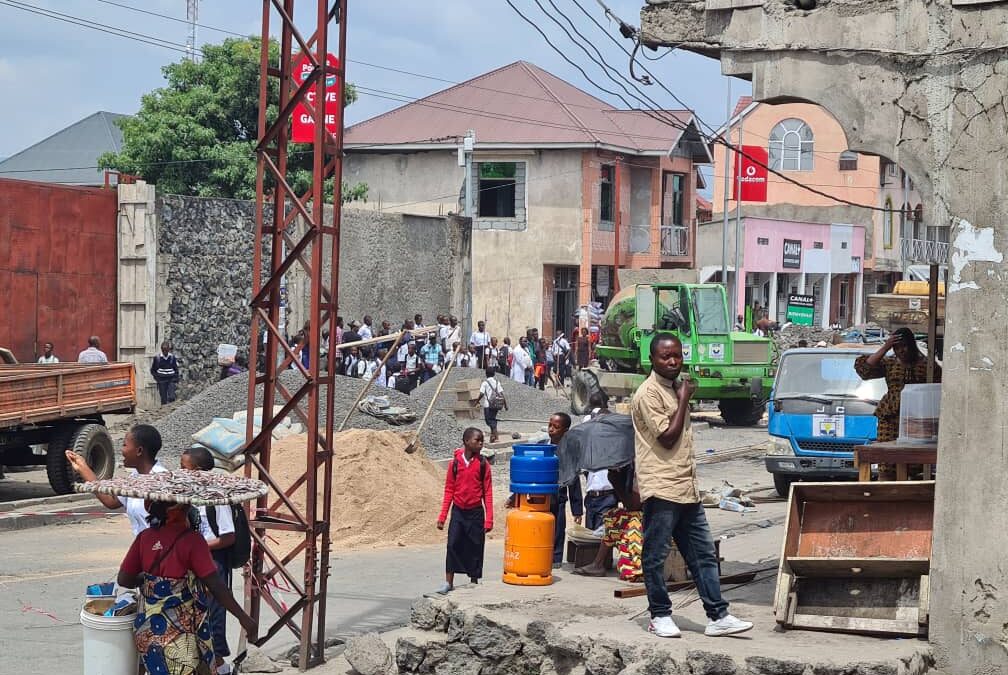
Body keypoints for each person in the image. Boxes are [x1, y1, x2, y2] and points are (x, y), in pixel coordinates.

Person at [631, 333, 752, 638]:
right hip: (661, 485)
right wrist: (685, 397)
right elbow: (667, 437)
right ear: (652, 359)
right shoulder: (649, 393)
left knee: (703, 554)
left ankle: (718, 615)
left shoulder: (674, 388)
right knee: (655, 556)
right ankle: (659, 615)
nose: (673, 361)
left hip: (686, 486)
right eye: (665, 357)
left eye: (677, 356)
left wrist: (681, 395)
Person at [117, 497, 256, 675]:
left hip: (148, 629)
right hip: (182, 635)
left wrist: (149, 579)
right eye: (187, 508)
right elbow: (216, 585)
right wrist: (244, 618)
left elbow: (124, 579)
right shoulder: (193, 541)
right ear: (177, 512)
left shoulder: (144, 537)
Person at [855, 327, 941, 478]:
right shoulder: (889, 363)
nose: (901, 351)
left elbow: (938, 386)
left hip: (916, 419)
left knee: (914, 462)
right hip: (890, 416)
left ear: (912, 345)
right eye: (897, 347)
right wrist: (886, 346)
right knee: (888, 462)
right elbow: (865, 370)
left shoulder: (926, 365)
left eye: (905, 346)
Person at [181, 447, 237, 674]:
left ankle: (221, 667)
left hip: (213, 562)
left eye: (184, 467)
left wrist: (198, 547)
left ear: (198, 470)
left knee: (213, 617)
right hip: (193, 562)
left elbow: (228, 537)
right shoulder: (190, 495)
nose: (181, 471)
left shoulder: (216, 497)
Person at [66, 424, 169, 535]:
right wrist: (83, 468)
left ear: (139, 451)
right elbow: (111, 501)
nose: (122, 450)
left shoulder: (163, 481)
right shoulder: (134, 478)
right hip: (143, 546)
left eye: (125, 445)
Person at [436, 427, 493, 594]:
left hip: (475, 512)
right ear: (467, 441)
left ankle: (474, 580)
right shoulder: (454, 464)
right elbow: (449, 490)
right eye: (477, 440)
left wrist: (489, 518)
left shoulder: (483, 464)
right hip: (458, 511)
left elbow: (488, 492)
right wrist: (443, 516)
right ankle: (448, 582)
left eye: (482, 440)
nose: (481, 443)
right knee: (453, 544)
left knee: (475, 545)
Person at [573, 465, 642, 582]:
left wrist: (616, 480)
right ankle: (598, 564)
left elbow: (634, 504)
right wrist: (615, 479)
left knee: (631, 526)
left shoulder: (639, 469)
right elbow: (628, 504)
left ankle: (636, 570)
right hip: (635, 511)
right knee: (612, 518)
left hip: (650, 515)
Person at [542, 412, 583, 568]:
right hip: (542, 496)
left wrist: (577, 509)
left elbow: (573, 480)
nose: (551, 429)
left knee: (558, 529)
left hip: (559, 497)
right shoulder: (542, 446)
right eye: (549, 425)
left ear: (565, 430)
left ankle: (556, 559)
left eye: (555, 427)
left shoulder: (569, 451)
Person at [478, 367, 507, 443]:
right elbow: (501, 394)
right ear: (494, 374)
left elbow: (481, 393)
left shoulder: (485, 383)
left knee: (489, 421)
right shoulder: (497, 382)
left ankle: (496, 437)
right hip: (496, 404)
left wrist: (476, 401)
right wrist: (505, 405)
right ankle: (492, 437)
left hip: (488, 405)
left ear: (486, 374)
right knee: (492, 419)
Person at [151, 341, 180, 406]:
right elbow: (153, 370)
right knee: (163, 398)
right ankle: (165, 412)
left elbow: (176, 369)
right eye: (163, 350)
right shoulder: (157, 358)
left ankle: (172, 410)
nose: (165, 352)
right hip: (162, 380)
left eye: (166, 350)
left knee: (172, 397)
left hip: (171, 379)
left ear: (168, 350)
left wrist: (175, 378)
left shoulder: (172, 357)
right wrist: (157, 378)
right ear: (161, 350)